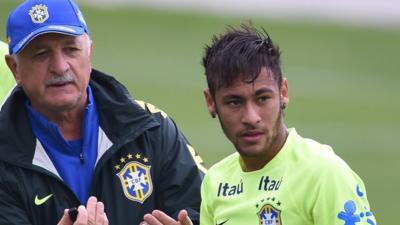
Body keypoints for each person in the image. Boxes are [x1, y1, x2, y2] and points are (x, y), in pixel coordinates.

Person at [0, 0, 205, 225]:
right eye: (41, 54)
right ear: (15, 68)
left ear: (89, 53)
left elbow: (205, 210)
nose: (60, 66)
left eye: (71, 49)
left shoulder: (151, 127)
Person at [197, 25, 377, 225]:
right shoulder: (215, 182)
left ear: (283, 92)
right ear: (211, 102)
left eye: (263, 98)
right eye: (234, 102)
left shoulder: (323, 173)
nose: (251, 117)